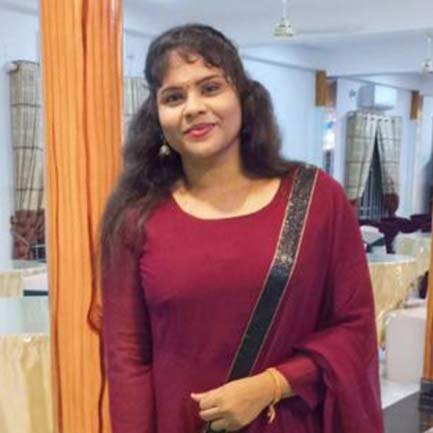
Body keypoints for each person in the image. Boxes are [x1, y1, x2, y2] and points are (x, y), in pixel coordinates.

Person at [100, 23, 383, 433]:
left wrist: (272, 385)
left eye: (210, 87)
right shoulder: (137, 217)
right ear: (157, 116)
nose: (193, 107)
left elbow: (354, 328)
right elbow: (127, 357)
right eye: (174, 97)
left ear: (243, 97)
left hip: (288, 420)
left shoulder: (316, 200)